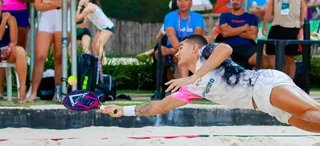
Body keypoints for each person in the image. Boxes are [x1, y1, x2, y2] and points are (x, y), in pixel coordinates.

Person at [99, 34, 320, 133]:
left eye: (181, 47)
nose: (177, 52)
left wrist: (194, 76)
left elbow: (227, 49)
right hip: (265, 106)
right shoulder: (190, 88)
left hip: (265, 84)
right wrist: (124, 110)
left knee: (311, 114)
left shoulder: (207, 51)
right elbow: (160, 106)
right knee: (312, 124)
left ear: (194, 48)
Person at [28, 0, 77, 102]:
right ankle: (33, 92)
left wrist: (48, 1)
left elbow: (70, 2)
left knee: (59, 57)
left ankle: (59, 92)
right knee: (40, 56)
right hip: (47, 20)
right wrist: (59, 4)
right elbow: (38, 5)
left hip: (63, 20)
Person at [263, 0, 309, 78]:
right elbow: (270, 5)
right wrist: (265, 24)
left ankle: (289, 85)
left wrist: (302, 27)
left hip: (293, 26)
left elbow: (304, 7)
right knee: (271, 55)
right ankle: (276, 83)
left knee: (290, 57)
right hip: (276, 25)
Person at [219, 0, 270, 69]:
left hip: (247, 48)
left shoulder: (251, 17)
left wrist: (232, 29)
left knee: (263, 61)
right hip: (229, 48)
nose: (235, 2)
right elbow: (225, 33)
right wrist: (244, 28)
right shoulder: (224, 16)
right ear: (230, 0)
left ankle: (252, 79)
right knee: (220, 59)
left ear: (242, 0)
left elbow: (252, 36)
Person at [162, 0, 204, 78]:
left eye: (185, 0)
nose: (182, 3)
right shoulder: (169, 16)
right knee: (179, 55)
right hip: (174, 46)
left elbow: (197, 36)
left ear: (191, 2)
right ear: (176, 3)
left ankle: (186, 86)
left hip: (191, 48)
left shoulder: (198, 17)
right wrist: (181, 50)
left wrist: (186, 50)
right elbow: (171, 35)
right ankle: (183, 86)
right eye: (180, 0)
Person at [0, 0, 28, 102]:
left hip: (6, 50)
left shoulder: (11, 19)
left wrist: (8, 48)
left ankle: (22, 90)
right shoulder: (6, 18)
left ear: (2, 3)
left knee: (20, 51)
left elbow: (13, 41)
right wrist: (3, 21)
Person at [76, 0, 115, 65]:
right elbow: (84, 24)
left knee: (99, 45)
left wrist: (79, 7)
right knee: (94, 45)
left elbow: (77, 19)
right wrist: (75, 27)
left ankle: (103, 66)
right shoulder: (86, 10)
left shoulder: (89, 8)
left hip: (108, 27)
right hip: (102, 28)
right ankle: (98, 63)